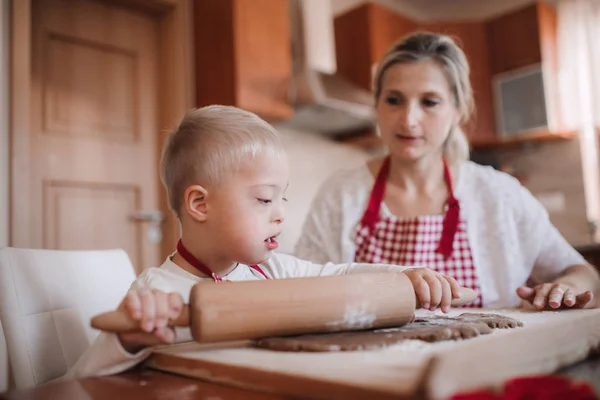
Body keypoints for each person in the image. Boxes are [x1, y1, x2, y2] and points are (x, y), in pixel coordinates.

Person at [66, 105, 460, 379]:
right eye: (264, 199)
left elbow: (340, 274)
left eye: (282, 198)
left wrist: (403, 277)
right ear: (200, 204)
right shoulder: (157, 294)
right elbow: (82, 380)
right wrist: (129, 341)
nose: (280, 213)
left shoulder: (270, 272)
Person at [294, 31, 600, 310]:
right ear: (377, 106)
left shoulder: (499, 194)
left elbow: (581, 271)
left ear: (458, 110)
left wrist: (567, 287)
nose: (409, 120)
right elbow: (302, 287)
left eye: (429, 102)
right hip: (370, 366)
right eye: (394, 100)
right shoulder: (340, 194)